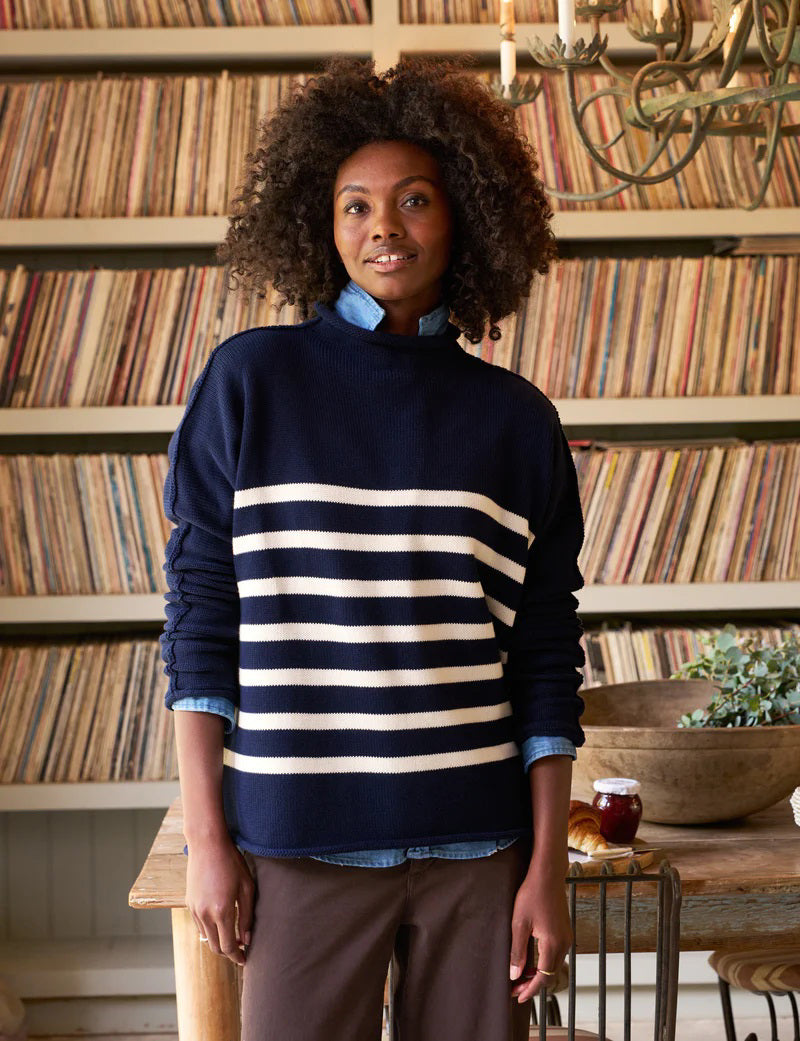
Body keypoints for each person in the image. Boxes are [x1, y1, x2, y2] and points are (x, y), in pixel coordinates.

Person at [160, 53, 587, 1041]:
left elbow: (542, 655)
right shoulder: (249, 384)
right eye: (354, 206)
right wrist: (208, 840)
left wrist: (543, 871)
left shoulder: (516, 424)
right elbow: (199, 621)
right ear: (321, 221)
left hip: (478, 856)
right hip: (299, 845)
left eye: (412, 200)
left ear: (466, 217)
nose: (382, 227)